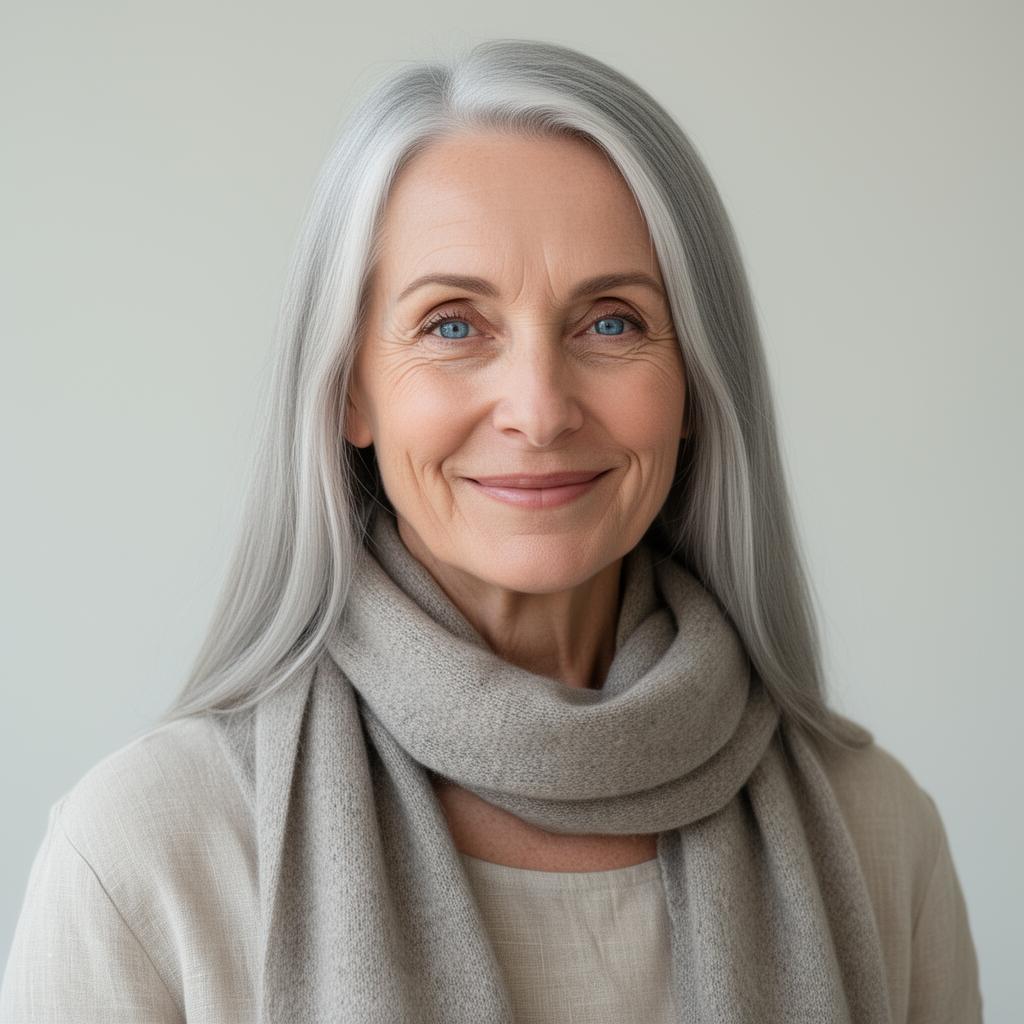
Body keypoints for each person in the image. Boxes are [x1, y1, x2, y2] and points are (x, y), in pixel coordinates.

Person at [0, 38, 983, 1024]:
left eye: (609, 322)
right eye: (453, 325)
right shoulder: (147, 853)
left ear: (692, 387)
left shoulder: (876, 832)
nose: (540, 409)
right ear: (350, 391)